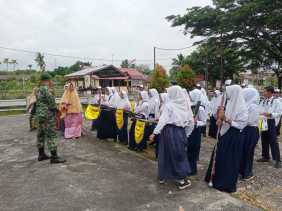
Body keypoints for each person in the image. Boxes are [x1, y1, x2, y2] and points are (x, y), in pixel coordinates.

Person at [149, 85, 194, 190]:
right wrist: (186, 134)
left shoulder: (169, 105)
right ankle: (181, 180)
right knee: (179, 155)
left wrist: (154, 133)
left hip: (167, 131)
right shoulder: (186, 106)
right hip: (179, 132)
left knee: (165, 153)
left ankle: (163, 177)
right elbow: (191, 123)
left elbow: (163, 120)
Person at [205, 85, 248, 193]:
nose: (227, 96)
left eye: (228, 93)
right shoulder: (228, 104)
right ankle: (215, 179)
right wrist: (219, 116)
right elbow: (220, 117)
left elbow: (241, 125)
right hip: (224, 133)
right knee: (219, 156)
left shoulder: (242, 107)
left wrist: (226, 119)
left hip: (234, 136)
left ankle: (225, 184)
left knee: (229, 160)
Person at [36, 72, 66, 164]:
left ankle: (41, 155)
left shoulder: (38, 89)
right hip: (47, 115)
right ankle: (54, 157)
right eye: (51, 80)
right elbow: (51, 103)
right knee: (51, 134)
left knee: (41, 134)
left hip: (40, 115)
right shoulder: (47, 89)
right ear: (48, 80)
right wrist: (58, 111)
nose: (51, 82)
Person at [257, 86, 282, 168]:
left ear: (270, 92)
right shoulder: (263, 100)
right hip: (263, 120)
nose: (263, 93)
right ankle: (265, 156)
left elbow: (279, 112)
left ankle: (277, 159)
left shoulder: (276, 101)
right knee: (264, 139)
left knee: (273, 141)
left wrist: (270, 114)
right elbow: (259, 109)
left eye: (264, 91)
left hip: (271, 121)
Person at [239, 87, 260, 180]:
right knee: (246, 152)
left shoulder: (252, 106)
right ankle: (245, 172)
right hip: (247, 129)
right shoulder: (250, 105)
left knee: (247, 151)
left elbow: (250, 120)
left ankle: (245, 171)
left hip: (250, 130)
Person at [188, 88, 208, 175]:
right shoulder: (188, 105)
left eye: (191, 95)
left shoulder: (200, 108)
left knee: (193, 149)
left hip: (195, 131)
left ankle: (192, 170)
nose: (189, 96)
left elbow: (204, 122)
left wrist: (196, 122)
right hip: (188, 129)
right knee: (187, 149)